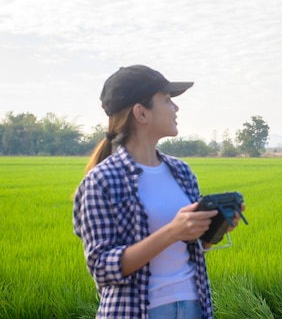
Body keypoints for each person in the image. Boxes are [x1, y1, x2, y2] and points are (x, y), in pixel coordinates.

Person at [73, 64, 242, 319]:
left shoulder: (181, 171)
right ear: (141, 113)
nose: (176, 108)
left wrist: (216, 228)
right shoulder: (101, 181)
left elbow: (193, 248)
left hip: (193, 306)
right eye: (167, 100)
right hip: (138, 311)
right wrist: (172, 232)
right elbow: (102, 267)